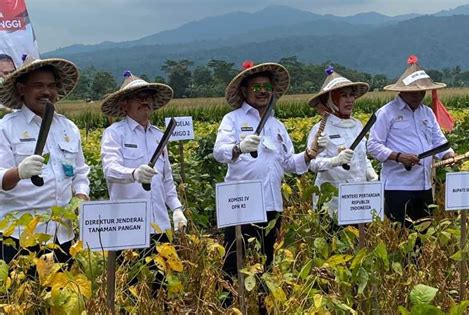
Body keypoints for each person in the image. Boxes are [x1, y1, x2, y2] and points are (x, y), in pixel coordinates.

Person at [213, 61, 325, 309]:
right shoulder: (232, 119)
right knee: (234, 261)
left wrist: (308, 155)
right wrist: (238, 148)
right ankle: (229, 307)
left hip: (271, 204)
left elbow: (289, 164)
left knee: (267, 260)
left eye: (266, 87)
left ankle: (264, 308)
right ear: (245, 91)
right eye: (256, 87)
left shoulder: (277, 126)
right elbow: (219, 152)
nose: (262, 91)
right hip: (240, 202)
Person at [0, 55, 90, 263]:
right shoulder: (6, 128)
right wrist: (18, 172)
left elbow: (80, 173)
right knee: (23, 294)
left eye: (51, 85)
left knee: (63, 294)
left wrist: (81, 195)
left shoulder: (69, 128)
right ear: (22, 89)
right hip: (19, 237)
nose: (46, 91)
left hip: (63, 236)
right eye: (38, 85)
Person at [100, 71, 187, 285]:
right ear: (124, 104)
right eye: (138, 97)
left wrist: (176, 208)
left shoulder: (159, 135)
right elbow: (109, 169)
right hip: (128, 224)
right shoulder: (115, 133)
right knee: (131, 287)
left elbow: (167, 181)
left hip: (159, 224)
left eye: (147, 96)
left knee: (161, 286)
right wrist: (132, 174)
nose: (144, 100)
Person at [367, 55, 455, 226]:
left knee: (424, 235)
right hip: (398, 187)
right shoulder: (386, 113)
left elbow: (438, 141)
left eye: (422, 91)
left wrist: (448, 155)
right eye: (413, 91)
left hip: (424, 186)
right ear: (402, 91)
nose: (418, 95)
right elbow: (373, 146)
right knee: (400, 237)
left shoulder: (427, 113)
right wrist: (398, 156)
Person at [307, 66, 377, 219]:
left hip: (359, 198)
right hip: (332, 201)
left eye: (352, 95)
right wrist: (334, 161)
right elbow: (312, 164)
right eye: (344, 96)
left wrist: (370, 172)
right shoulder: (320, 129)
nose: (350, 100)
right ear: (331, 100)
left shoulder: (357, 125)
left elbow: (362, 156)